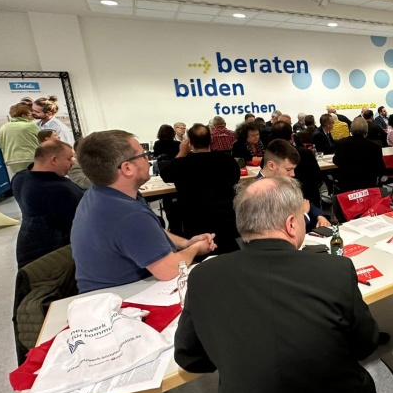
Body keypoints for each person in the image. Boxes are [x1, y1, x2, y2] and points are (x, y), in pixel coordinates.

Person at [174, 175, 388, 393]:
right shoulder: (336, 270)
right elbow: (365, 344)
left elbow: (189, 357)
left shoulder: (203, 277)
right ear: (291, 224)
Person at [71, 130, 216, 293]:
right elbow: (169, 270)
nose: (148, 160)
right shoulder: (128, 214)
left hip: (108, 290)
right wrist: (195, 249)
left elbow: (151, 233)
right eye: (143, 155)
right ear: (127, 168)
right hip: (121, 296)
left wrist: (186, 243)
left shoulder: (99, 194)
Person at [159, 124, 241, 254]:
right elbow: (236, 179)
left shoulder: (182, 164)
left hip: (194, 221)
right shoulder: (227, 160)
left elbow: (166, 175)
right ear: (211, 140)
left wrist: (181, 152)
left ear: (190, 142)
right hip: (227, 221)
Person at [11, 140, 83, 267]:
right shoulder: (59, 190)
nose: (72, 162)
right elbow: (80, 226)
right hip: (55, 257)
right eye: (69, 158)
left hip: (28, 250)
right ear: (54, 160)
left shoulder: (19, 179)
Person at [257, 139, 330, 230]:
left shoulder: (283, 180)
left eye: (293, 169)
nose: (293, 174)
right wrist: (303, 214)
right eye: (288, 169)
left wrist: (320, 216)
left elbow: (303, 203)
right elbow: (274, 229)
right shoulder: (256, 194)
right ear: (271, 166)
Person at [271, 121, 323, 208]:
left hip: (280, 201)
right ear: (292, 137)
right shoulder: (305, 153)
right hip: (308, 198)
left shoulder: (269, 156)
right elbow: (317, 176)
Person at [333, 119, 386, 192]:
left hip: (347, 183)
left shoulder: (341, 143)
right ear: (366, 130)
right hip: (368, 183)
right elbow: (380, 167)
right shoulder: (375, 146)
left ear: (351, 130)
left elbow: (336, 161)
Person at [0, 103, 41, 176]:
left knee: (21, 180)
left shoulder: (3, 127)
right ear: (23, 116)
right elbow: (42, 140)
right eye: (30, 115)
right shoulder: (31, 126)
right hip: (31, 157)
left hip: (11, 160)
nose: (33, 117)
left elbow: (0, 145)